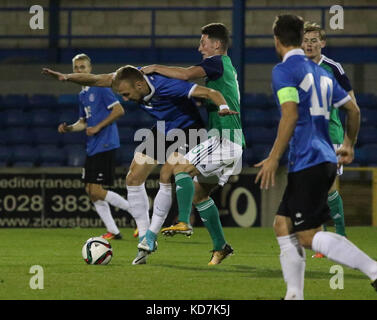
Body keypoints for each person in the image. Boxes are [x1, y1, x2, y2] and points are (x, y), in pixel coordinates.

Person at [43, 64, 237, 265]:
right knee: (133, 177)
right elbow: (94, 79)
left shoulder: (166, 85)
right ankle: (144, 237)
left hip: (189, 128)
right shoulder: (124, 78)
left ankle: (152, 236)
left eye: (126, 94)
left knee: (166, 173)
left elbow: (209, 92)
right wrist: (66, 77)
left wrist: (223, 107)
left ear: (139, 84)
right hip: (164, 129)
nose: (124, 98)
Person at [254, 14, 377, 300]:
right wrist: (349, 143)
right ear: (300, 39)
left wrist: (273, 157)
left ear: (277, 40)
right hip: (326, 156)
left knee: (307, 235)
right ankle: (294, 294)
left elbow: (290, 113)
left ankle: (373, 269)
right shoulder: (321, 72)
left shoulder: (283, 71)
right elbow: (354, 110)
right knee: (282, 225)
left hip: (308, 158)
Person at [142, 23, 245, 265]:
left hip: (224, 137)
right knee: (200, 194)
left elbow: (187, 74)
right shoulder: (224, 69)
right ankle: (221, 247)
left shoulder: (217, 61)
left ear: (216, 45)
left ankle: (184, 222)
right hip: (233, 140)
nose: (200, 47)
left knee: (180, 168)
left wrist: (155, 67)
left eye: (203, 42)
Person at [58, 53, 130, 240]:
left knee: (97, 190)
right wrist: (70, 128)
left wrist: (98, 126)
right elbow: (84, 122)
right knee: (91, 191)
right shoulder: (82, 94)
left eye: (83, 67)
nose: (80, 70)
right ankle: (113, 231)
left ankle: (138, 214)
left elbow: (119, 110)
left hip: (105, 143)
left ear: (90, 69)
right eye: (76, 68)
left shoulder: (100, 88)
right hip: (93, 145)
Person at [302, 21, 357, 258]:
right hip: (306, 138)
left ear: (322, 43)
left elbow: (352, 105)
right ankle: (325, 242)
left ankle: (341, 238)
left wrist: (347, 141)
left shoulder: (333, 67)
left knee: (328, 188)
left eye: (314, 40)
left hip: (330, 136)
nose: (310, 44)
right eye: (305, 40)